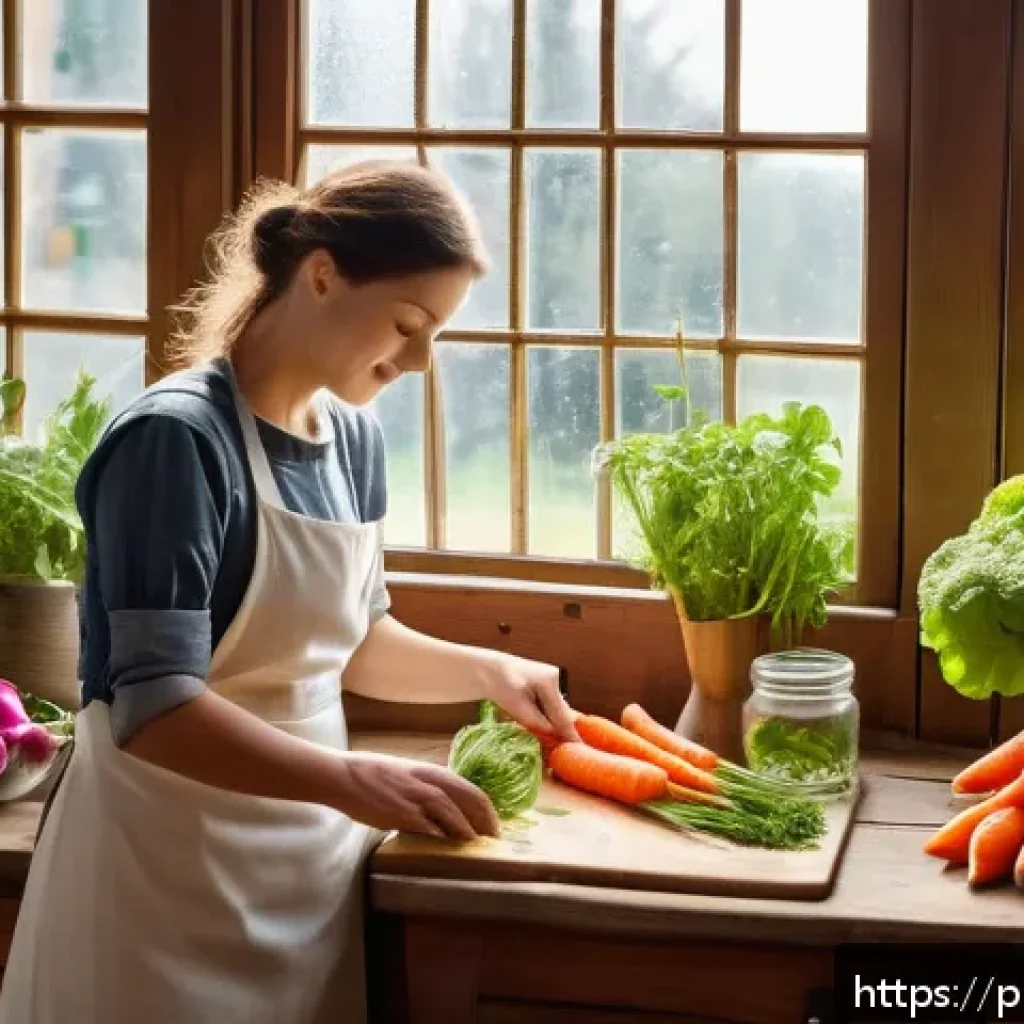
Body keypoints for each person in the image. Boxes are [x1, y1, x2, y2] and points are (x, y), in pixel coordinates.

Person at [0, 162, 579, 1024]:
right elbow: (154, 708)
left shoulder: (352, 440)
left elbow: (353, 639)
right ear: (321, 275)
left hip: (306, 879)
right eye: (408, 324)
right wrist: (350, 780)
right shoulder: (173, 443)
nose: (420, 361)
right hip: (157, 887)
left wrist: (489, 671)